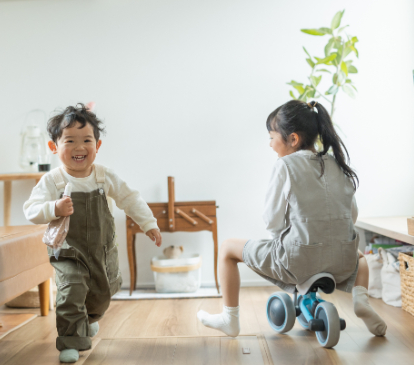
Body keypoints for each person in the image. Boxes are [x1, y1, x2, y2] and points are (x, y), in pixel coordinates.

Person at [197, 100, 387, 338]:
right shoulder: (337, 164)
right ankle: (361, 302)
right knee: (361, 258)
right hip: (342, 261)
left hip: (297, 260)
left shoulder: (285, 165)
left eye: (271, 137)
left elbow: (272, 221)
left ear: (293, 139)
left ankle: (229, 319)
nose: (270, 144)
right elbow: (352, 216)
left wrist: (283, 243)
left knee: (226, 249)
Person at [24, 103, 162, 363]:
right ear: (54, 147)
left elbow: (129, 198)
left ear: (97, 146)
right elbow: (30, 210)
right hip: (67, 250)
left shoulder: (103, 176)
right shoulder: (52, 181)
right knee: (70, 292)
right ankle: (71, 341)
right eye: (70, 141)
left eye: (86, 140)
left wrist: (149, 223)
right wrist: (54, 207)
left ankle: (89, 320)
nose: (79, 147)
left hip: (101, 249)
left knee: (104, 291)